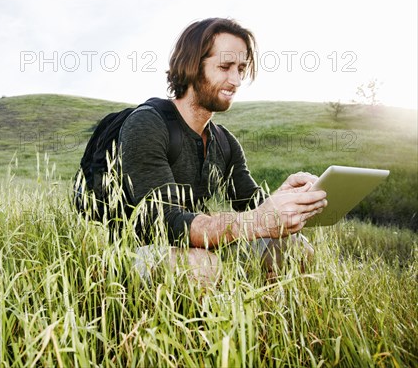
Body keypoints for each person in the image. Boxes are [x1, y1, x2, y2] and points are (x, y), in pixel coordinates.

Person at [117, 18, 328, 283]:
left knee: (296, 249)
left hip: (194, 245)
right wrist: (256, 222)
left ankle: (262, 319)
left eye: (241, 68)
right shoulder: (147, 123)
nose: (236, 80)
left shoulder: (224, 141)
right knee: (202, 266)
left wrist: (282, 198)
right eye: (225, 67)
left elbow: (252, 204)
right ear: (192, 65)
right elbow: (164, 222)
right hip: (132, 252)